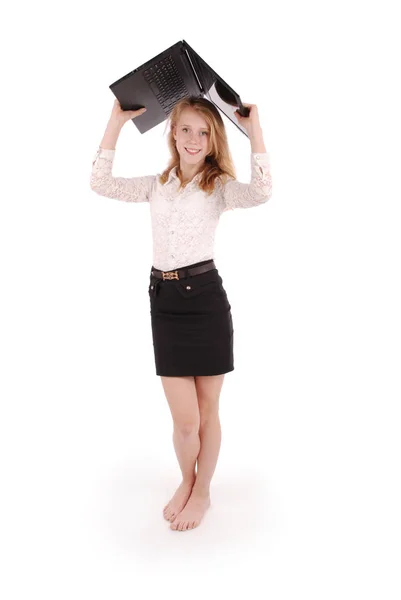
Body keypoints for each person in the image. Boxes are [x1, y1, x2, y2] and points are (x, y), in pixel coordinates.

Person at [90, 95, 272, 532]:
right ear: (173, 132)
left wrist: (255, 129)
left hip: (206, 302)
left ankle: (202, 491)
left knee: (208, 413)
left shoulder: (220, 186)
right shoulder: (158, 184)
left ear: (213, 141)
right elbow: (100, 182)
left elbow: (263, 191)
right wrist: (115, 122)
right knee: (185, 422)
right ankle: (186, 480)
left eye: (203, 132)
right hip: (165, 305)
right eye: (186, 129)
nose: (193, 139)